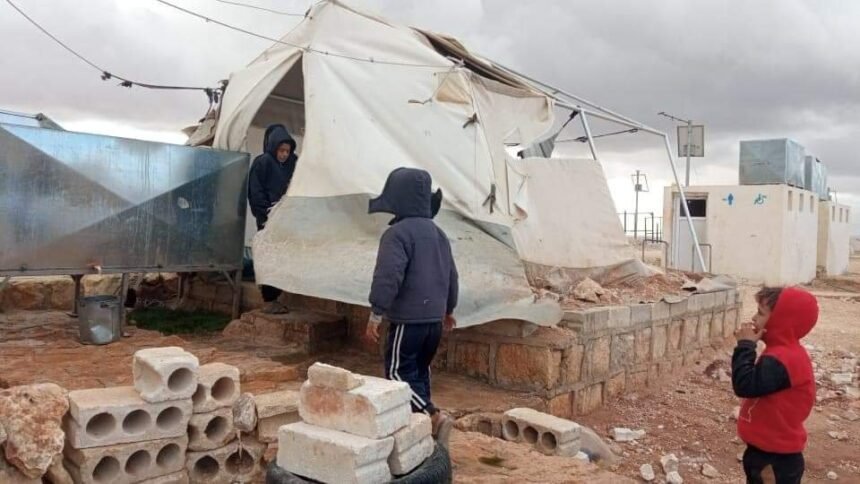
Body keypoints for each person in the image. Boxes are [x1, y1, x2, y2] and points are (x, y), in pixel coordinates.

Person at [364, 167, 458, 444]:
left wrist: (376, 313)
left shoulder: (396, 234)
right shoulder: (439, 234)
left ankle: (432, 416)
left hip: (408, 320)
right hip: (434, 320)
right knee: (419, 370)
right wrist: (449, 309)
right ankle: (424, 429)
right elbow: (452, 275)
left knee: (397, 373)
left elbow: (388, 277)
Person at [732, 286, 818, 484]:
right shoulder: (781, 352)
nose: (754, 318)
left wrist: (745, 346)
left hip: (775, 459)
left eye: (761, 313)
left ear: (781, 321)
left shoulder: (783, 359)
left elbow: (744, 385)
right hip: (768, 451)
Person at [247, 123, 298, 314]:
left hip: (286, 219)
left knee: (283, 257)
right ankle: (269, 299)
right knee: (270, 257)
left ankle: (277, 295)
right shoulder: (263, 163)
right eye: (281, 150)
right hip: (268, 220)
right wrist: (266, 215)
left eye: (287, 150)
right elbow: (255, 192)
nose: (284, 154)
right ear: (273, 146)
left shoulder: (293, 163)